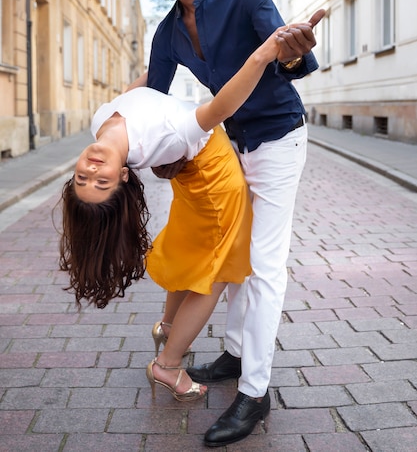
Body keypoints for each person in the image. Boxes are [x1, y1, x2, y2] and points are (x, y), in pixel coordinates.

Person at [58, 20, 313, 404]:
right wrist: (263, 54)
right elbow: (221, 106)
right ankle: (169, 363)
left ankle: (168, 327)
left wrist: (170, 55)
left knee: (188, 251)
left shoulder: (99, 124)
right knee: (212, 274)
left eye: (83, 178)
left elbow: (144, 88)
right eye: (101, 182)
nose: (92, 171)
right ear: (124, 177)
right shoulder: (167, 135)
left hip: (195, 180)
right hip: (216, 184)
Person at [140, 0, 323, 447]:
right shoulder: (169, 30)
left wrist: (291, 47)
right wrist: (154, 154)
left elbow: (297, 57)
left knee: (264, 266)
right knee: (235, 258)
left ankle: (255, 389)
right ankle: (237, 351)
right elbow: (154, 98)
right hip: (234, 146)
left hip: (280, 138)